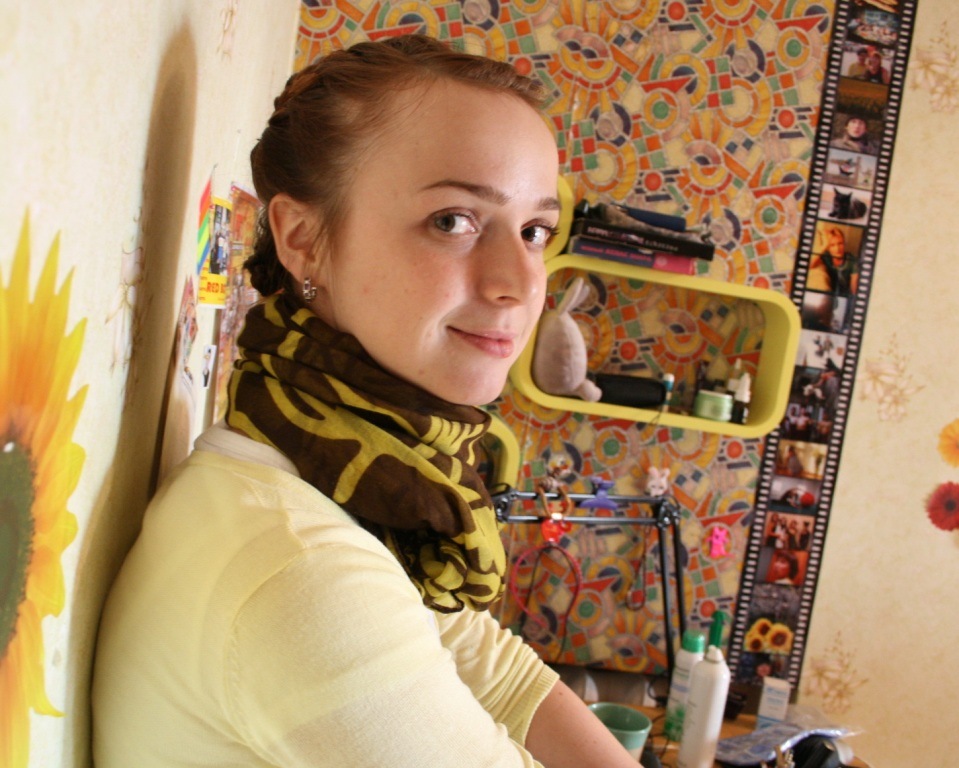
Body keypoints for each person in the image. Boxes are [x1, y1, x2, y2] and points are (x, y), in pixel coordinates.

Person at [92, 35, 641, 768]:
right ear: (302, 238)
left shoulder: (343, 481)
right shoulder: (299, 572)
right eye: (453, 220)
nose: (519, 282)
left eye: (534, 231)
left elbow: (496, 671)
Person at [809, 225, 859, 295]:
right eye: (832, 245)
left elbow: (854, 290)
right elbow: (809, 265)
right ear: (828, 247)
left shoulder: (852, 260)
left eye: (840, 243)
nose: (837, 249)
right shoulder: (826, 256)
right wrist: (825, 245)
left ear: (844, 243)